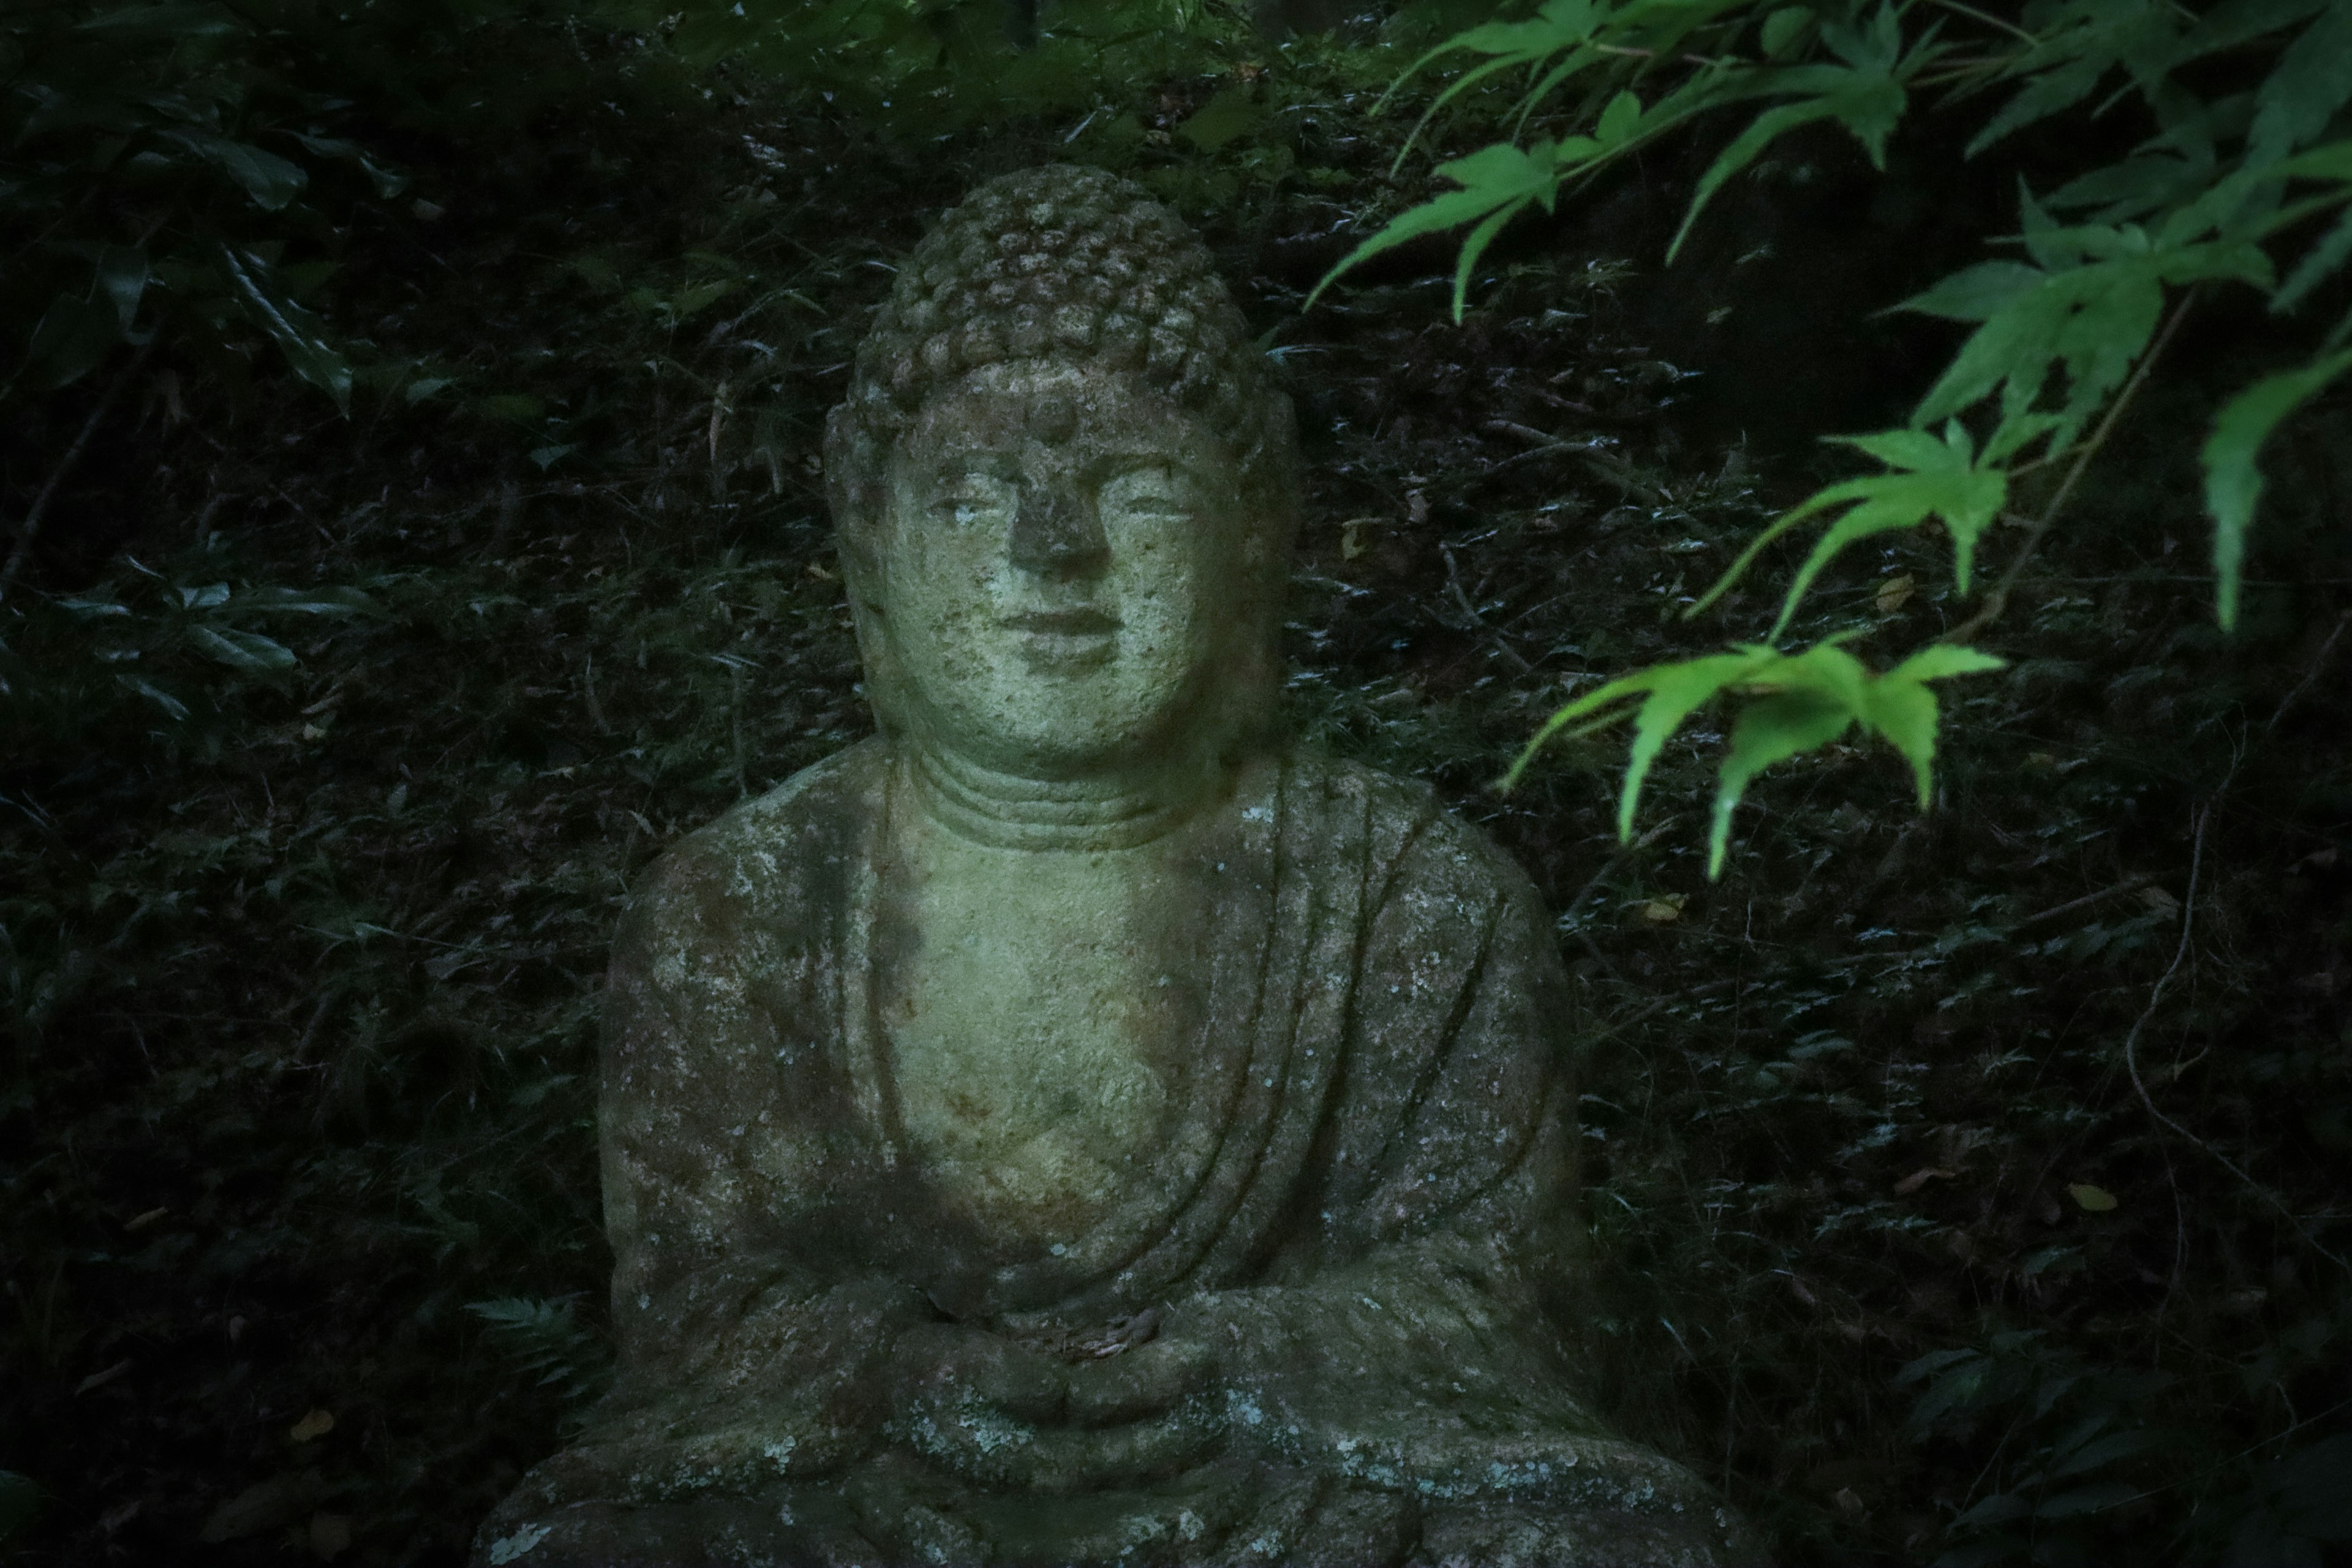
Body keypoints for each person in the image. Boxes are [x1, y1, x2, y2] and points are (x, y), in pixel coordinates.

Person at [470, 164, 1759, 1568]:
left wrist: (1238, 1360)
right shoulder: (736, 904)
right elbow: (695, 1304)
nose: (1052, 551)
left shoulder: (1415, 893)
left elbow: (1499, 1293)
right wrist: (900, 1374)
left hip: (1302, 1498)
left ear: (1257, 537)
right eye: (970, 495)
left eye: (1136, 492)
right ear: (870, 548)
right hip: (874, 1500)